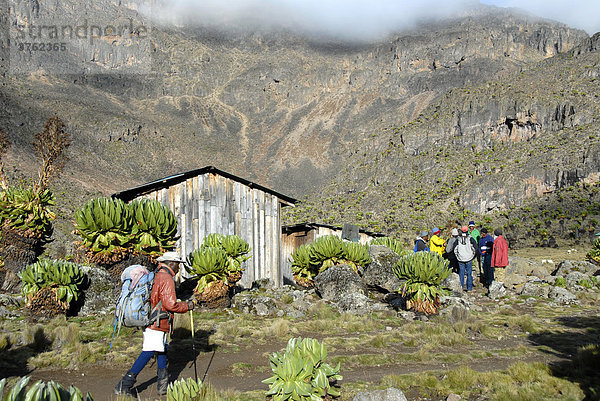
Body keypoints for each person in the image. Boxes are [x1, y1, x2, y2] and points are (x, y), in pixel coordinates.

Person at [114, 252, 194, 396]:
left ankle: (163, 385)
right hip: (157, 321)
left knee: (162, 349)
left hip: (152, 320)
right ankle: (124, 385)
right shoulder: (166, 278)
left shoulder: (157, 274)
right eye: (178, 264)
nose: (178, 268)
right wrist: (187, 306)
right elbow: (171, 305)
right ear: (171, 263)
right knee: (149, 351)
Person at [454, 226, 479, 292]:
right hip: (469, 258)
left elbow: (455, 249)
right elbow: (475, 248)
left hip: (460, 258)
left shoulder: (458, 239)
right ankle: (469, 288)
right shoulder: (470, 238)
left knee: (461, 273)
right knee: (469, 273)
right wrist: (473, 256)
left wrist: (457, 256)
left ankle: (461, 287)